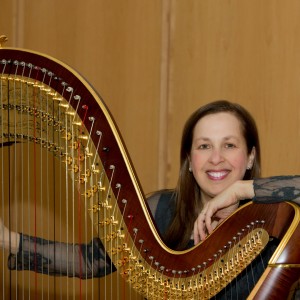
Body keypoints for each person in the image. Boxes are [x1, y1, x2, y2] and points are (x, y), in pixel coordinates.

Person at [0, 100, 295, 298]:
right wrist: (8, 240)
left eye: (229, 145)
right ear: (190, 162)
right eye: (204, 146)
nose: (216, 159)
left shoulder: (277, 216)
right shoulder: (161, 210)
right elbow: (90, 261)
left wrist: (243, 190)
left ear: (250, 157)